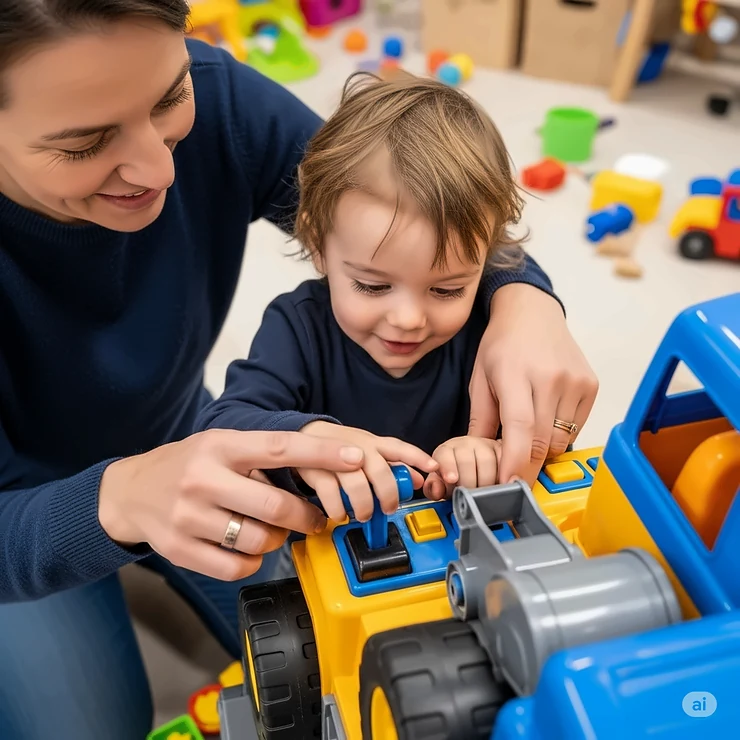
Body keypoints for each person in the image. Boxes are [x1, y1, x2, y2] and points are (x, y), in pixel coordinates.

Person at [0, 1, 597, 738]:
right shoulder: (296, 327)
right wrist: (111, 504)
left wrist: (525, 298)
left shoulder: (217, 97)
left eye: (170, 99)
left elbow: (411, 197)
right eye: (85, 141)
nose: (161, 167)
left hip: (183, 437)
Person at [196, 72, 531, 520]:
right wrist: (309, 437)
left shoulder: (491, 330)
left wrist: (489, 451)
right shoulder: (298, 327)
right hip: (322, 550)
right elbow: (218, 428)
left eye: (448, 289)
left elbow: (536, 434)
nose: (410, 318)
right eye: (373, 285)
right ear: (318, 243)